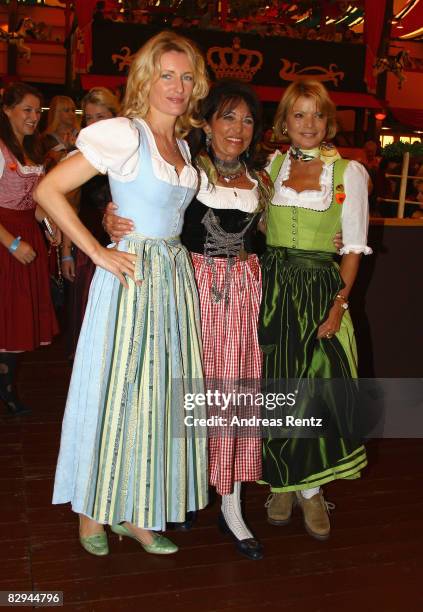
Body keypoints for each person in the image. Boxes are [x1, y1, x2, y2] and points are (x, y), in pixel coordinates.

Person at [34, 31, 210, 557]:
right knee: (115, 391)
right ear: (146, 79)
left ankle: (136, 512)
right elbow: (48, 190)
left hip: (172, 281)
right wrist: (98, 250)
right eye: (166, 75)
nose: (176, 87)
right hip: (131, 277)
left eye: (185, 76)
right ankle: (92, 512)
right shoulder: (122, 133)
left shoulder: (182, 144)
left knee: (156, 398)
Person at [105, 79, 273, 560]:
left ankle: (232, 503)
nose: (237, 129)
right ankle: (180, 489)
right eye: (227, 117)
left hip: (243, 296)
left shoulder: (262, 180)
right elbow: (143, 209)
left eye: (246, 120)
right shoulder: (186, 171)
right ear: (206, 121)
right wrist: (111, 220)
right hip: (191, 290)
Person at [260, 80, 371, 540]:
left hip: (320, 292)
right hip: (271, 290)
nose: (308, 124)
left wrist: (338, 307)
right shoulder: (269, 165)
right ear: (284, 121)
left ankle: (313, 490)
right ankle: (281, 483)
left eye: (317, 115)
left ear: (329, 121)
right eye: (299, 114)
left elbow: (353, 250)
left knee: (315, 393)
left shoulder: (349, 173)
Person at [0, 83, 59, 416]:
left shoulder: (33, 152)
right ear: (7, 110)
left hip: (26, 233)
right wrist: (12, 243)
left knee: (16, 318)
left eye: (38, 111)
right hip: (5, 236)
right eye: (27, 109)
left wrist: (50, 228)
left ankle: (5, 386)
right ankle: (6, 388)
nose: (34, 117)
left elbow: (36, 203)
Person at [60, 88, 120, 357]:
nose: (94, 123)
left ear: (114, 117)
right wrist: (65, 254)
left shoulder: (127, 151)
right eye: (89, 118)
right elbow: (67, 206)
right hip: (88, 250)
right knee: (89, 322)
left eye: (101, 116)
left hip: (120, 248)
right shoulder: (79, 155)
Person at [41, 95, 78, 170]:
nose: (72, 114)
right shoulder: (45, 139)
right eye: (67, 110)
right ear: (56, 113)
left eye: (73, 110)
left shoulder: (82, 134)